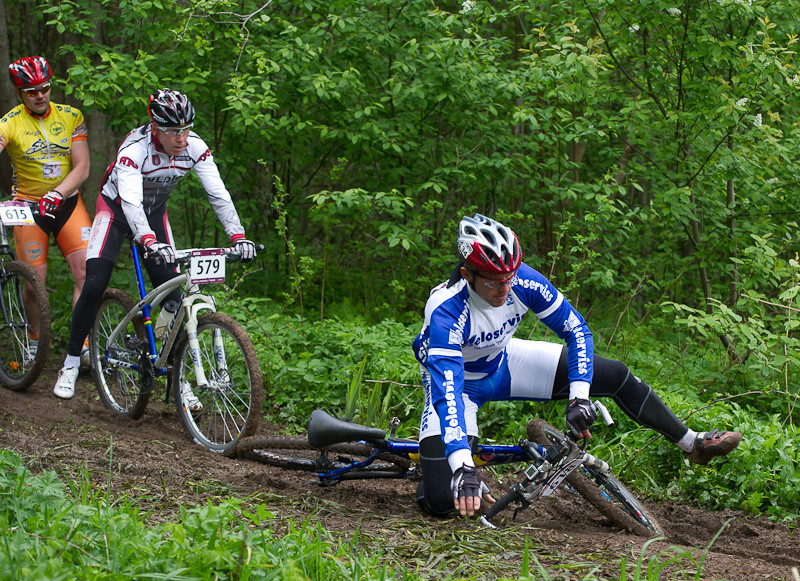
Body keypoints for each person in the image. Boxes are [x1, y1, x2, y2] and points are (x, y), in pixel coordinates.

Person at [412, 214, 742, 518]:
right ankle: (436, 469)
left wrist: (579, 397)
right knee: (443, 502)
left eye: (510, 277)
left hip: (505, 362)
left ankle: (692, 443)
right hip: (458, 388)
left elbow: (576, 330)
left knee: (614, 374)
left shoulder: (521, 280)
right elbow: (448, 394)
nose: (506, 288)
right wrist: (462, 466)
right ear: (468, 274)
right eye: (495, 282)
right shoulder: (445, 310)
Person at [52, 88, 256, 399]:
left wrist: (238, 235)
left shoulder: (195, 148)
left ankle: (172, 372)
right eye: (174, 131)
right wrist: (146, 239)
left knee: (176, 295)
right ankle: (68, 364)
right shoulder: (134, 150)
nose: (182, 138)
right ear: (155, 127)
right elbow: (131, 202)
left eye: (186, 129)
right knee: (93, 284)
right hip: (117, 210)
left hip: (155, 213)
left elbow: (218, 193)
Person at [0, 56, 92, 365]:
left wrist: (58, 192)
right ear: (20, 94)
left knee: (85, 273)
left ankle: (82, 345)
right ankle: (34, 342)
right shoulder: (10, 122)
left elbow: (82, 167)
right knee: (32, 281)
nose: (40, 95)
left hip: (66, 203)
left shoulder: (71, 116)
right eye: (31, 91)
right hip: (27, 206)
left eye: (44, 88)